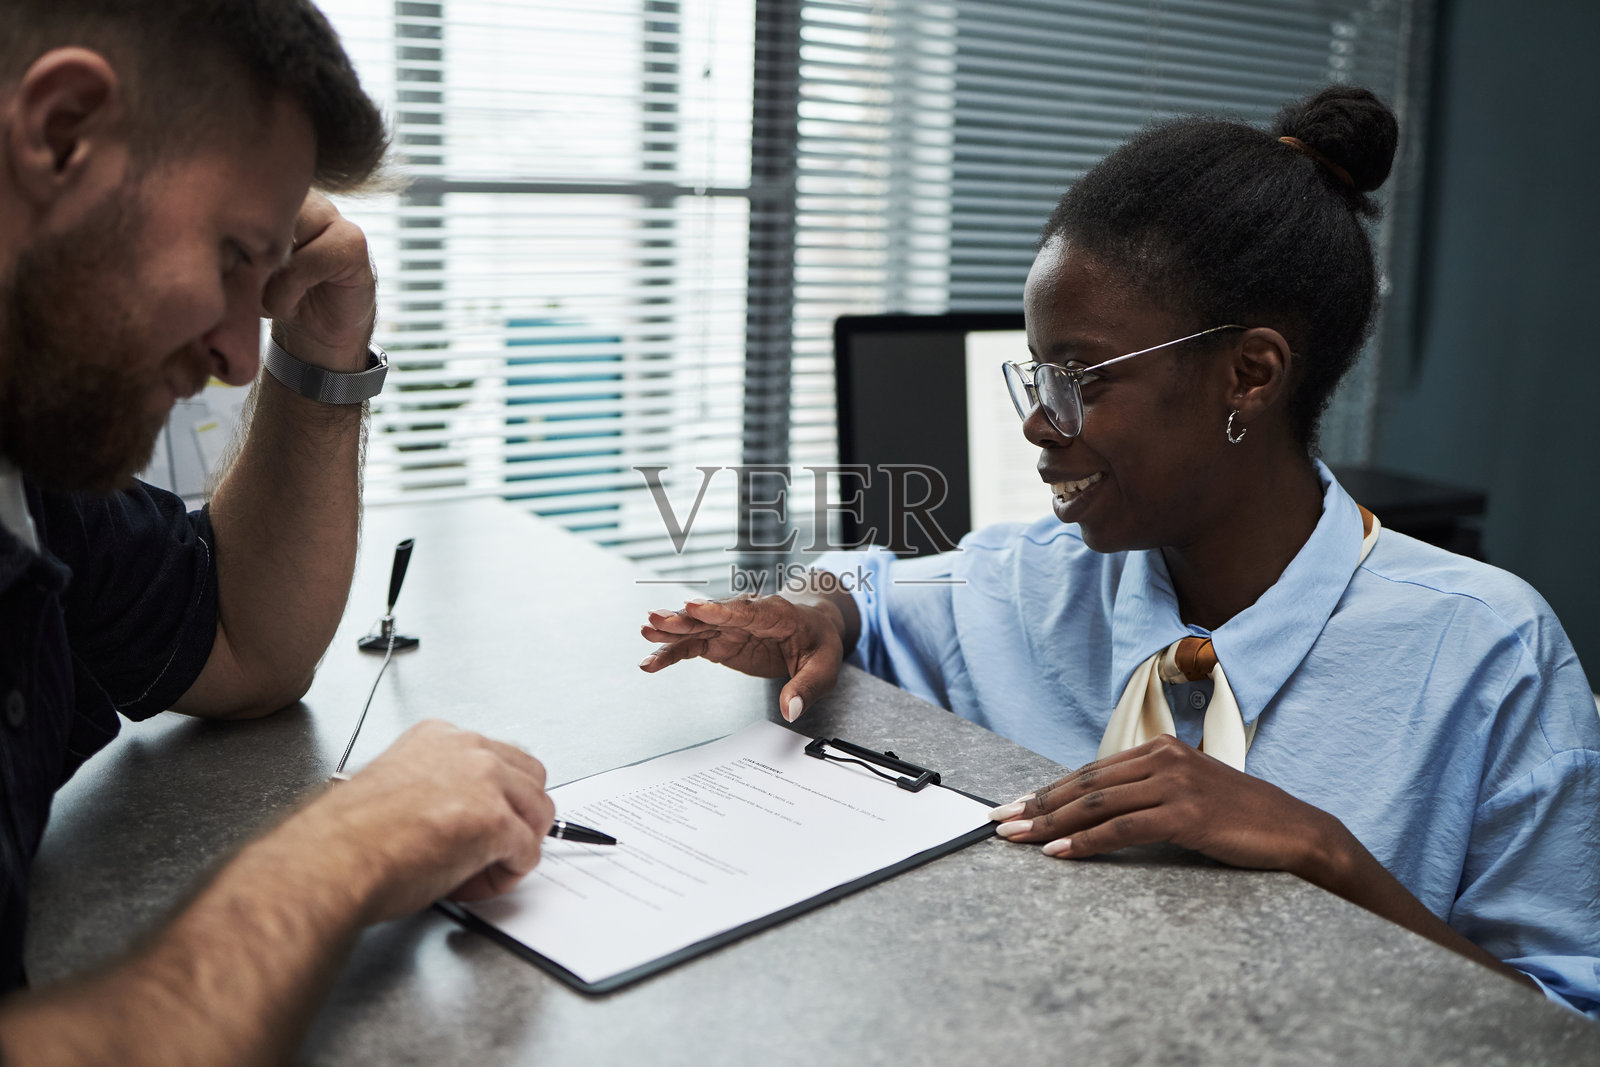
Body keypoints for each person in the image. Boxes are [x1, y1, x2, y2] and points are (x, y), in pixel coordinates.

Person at [640, 85, 1600, 1018]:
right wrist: (811, 610)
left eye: (1078, 378)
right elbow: (864, 589)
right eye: (1036, 376)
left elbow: (1563, 1024)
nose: (1036, 424)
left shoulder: (1490, 654)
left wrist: (1325, 855)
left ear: (1249, 374)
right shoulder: (1034, 584)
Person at [0, 2, 555, 1062]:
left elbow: (245, 640)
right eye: (229, 257)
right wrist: (340, 851)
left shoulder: (29, 461)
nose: (236, 356)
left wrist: (321, 355)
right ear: (63, 130)